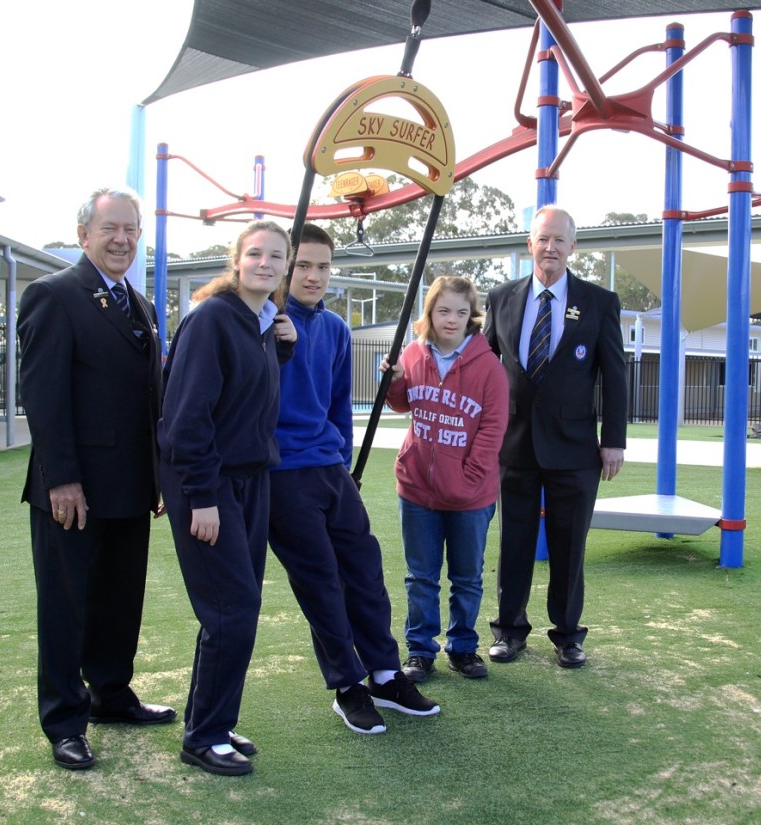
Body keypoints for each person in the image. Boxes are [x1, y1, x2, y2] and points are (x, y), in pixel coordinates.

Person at [17, 186, 176, 771]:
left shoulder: (139, 303)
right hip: (73, 489)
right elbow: (42, 394)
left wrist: (158, 475)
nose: (122, 239)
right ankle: (65, 720)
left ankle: (110, 694)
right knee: (67, 606)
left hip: (131, 485)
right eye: (110, 228)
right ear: (84, 234)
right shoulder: (53, 296)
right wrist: (61, 478)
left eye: (131, 229)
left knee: (118, 600)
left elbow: (147, 396)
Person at [267, 223, 440, 735]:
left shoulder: (337, 329)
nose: (314, 276)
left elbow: (339, 404)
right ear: (283, 266)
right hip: (281, 471)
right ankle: (348, 686)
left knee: (364, 568)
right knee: (320, 578)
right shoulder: (263, 322)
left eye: (322, 266)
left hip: (329, 468)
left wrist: (343, 460)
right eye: (302, 266)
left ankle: (386, 674)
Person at [159, 220, 297, 776]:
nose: (265, 262)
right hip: (211, 483)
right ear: (235, 261)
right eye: (255, 253)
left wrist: (282, 350)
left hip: (250, 479)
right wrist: (202, 496)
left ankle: (210, 719)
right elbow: (185, 419)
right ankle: (204, 737)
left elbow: (246, 399)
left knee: (235, 608)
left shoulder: (263, 322)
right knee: (231, 609)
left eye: (275, 256)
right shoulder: (214, 318)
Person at [484, 204, 627, 669]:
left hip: (576, 447)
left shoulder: (600, 301)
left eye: (559, 240)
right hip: (514, 444)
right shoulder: (501, 297)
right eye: (542, 239)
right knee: (515, 541)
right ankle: (509, 630)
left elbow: (615, 375)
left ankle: (567, 635)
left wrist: (614, 440)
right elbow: (482, 365)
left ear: (573, 247)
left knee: (569, 545)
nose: (550, 248)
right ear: (530, 244)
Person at [381, 275, 508, 682]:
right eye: (443, 311)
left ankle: (464, 647)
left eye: (460, 312)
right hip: (417, 489)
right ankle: (420, 650)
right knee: (421, 576)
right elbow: (402, 403)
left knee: (467, 576)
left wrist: (469, 477)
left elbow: (492, 429)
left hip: (470, 495)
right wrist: (395, 379)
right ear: (430, 314)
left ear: (472, 316)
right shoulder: (415, 353)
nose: (451, 319)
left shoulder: (488, 365)